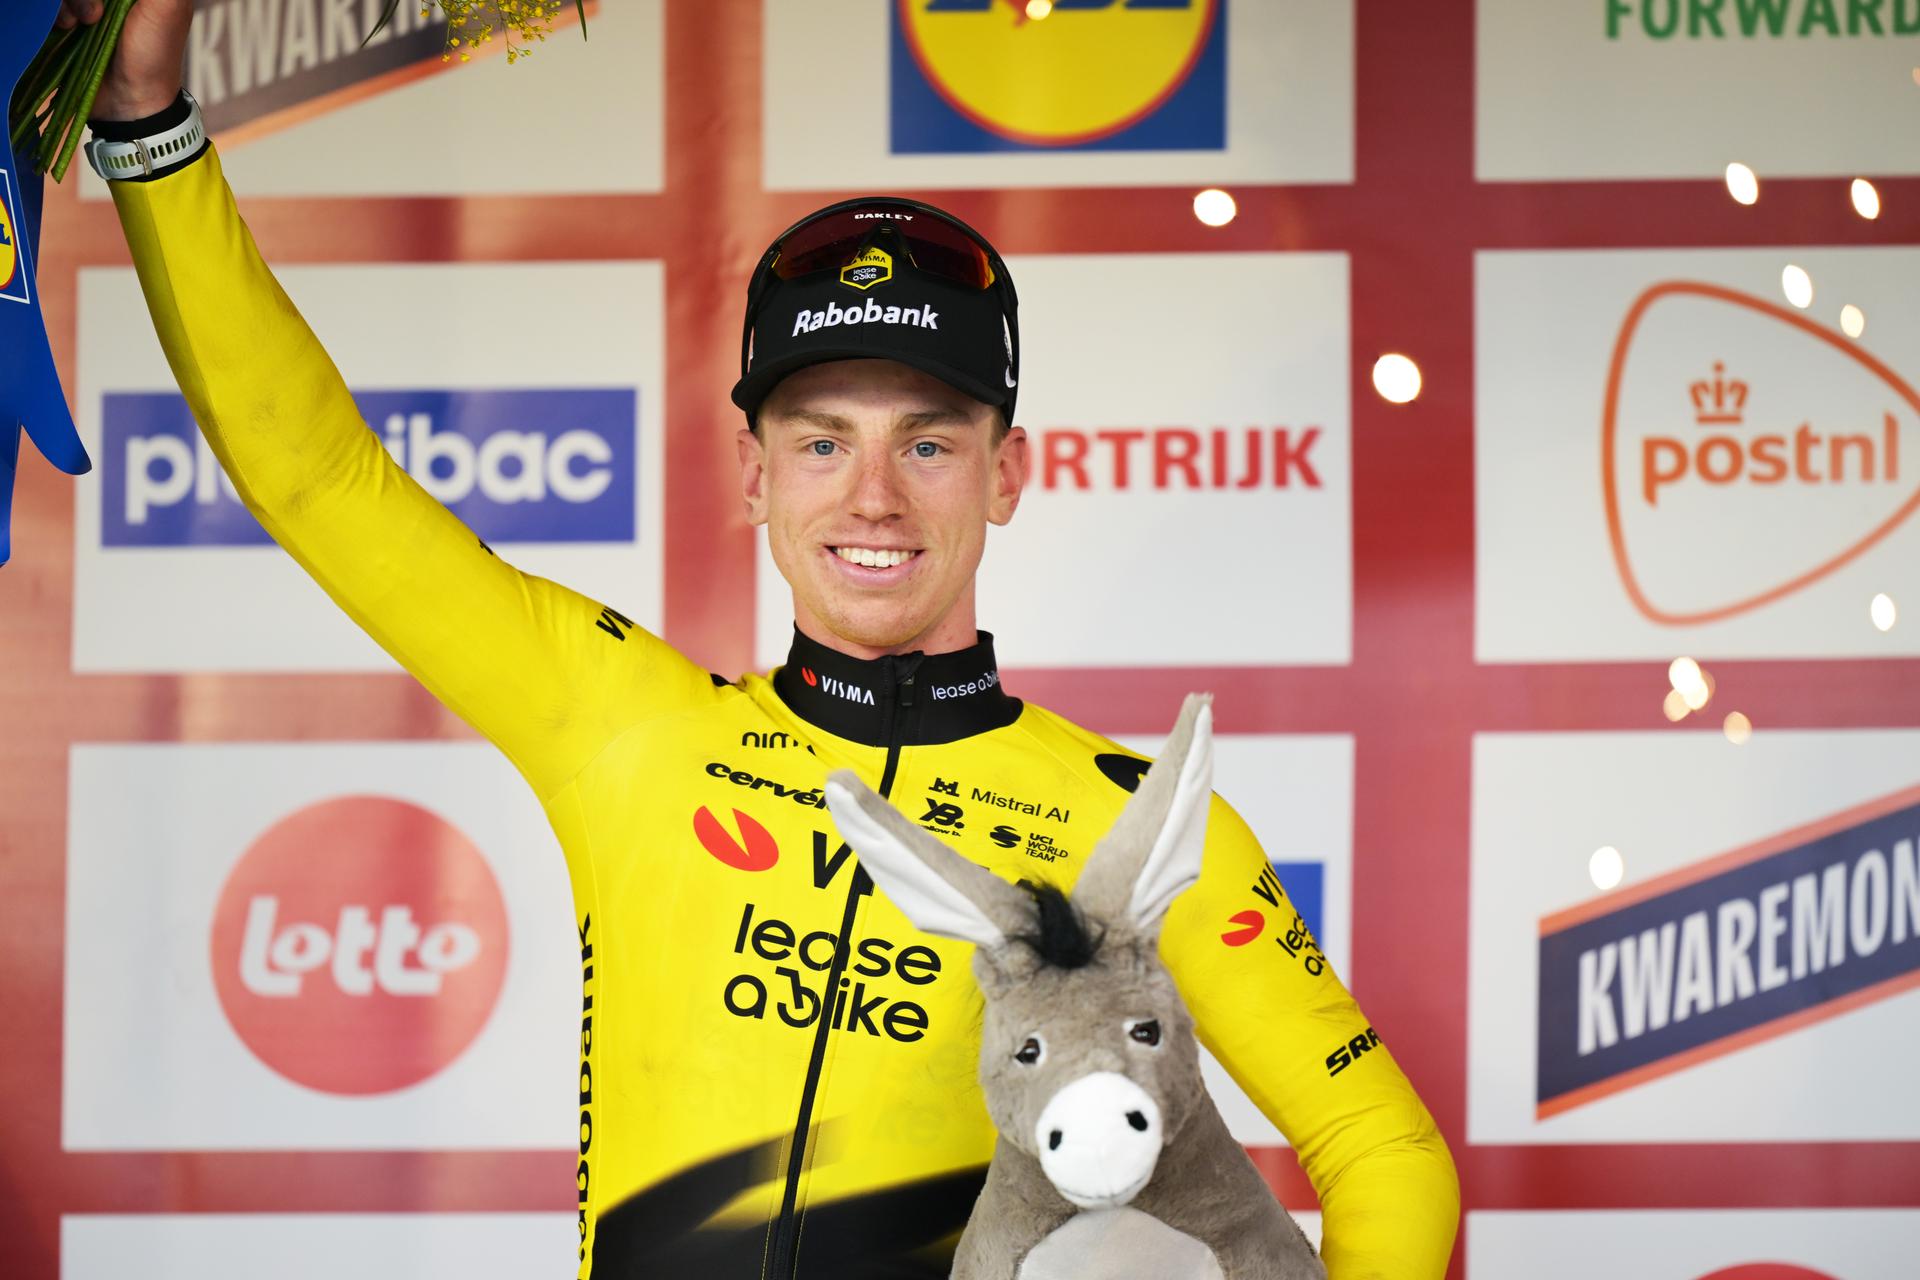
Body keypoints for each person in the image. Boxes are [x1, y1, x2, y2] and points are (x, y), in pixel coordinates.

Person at [69, 1, 1459, 1275]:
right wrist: (148, 122)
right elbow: (315, 481)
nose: (873, 497)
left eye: (928, 440)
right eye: (820, 443)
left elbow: (1382, 1152)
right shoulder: (621, 718)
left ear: (1008, 474)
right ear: (753, 476)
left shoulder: (1137, 831)